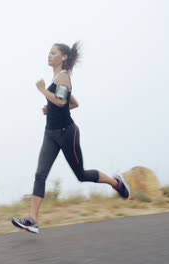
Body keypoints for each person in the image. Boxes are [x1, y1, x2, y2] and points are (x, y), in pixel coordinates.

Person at [11, 42, 130, 234]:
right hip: (50, 133)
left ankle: (116, 183)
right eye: (48, 52)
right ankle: (32, 219)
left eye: (53, 53)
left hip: (67, 133)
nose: (49, 55)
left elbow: (61, 102)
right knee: (40, 174)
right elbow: (73, 103)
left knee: (81, 175)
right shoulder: (57, 79)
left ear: (64, 57)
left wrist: (43, 91)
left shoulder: (64, 77)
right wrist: (48, 106)